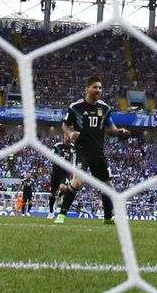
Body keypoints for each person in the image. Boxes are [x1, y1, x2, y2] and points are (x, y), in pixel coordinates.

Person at [55, 76, 131, 224]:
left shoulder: (105, 108)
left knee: (108, 187)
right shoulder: (75, 107)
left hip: (98, 152)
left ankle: (108, 219)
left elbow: (111, 128)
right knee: (77, 183)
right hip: (81, 151)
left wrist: (119, 131)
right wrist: (70, 133)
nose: (98, 90)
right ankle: (62, 214)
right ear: (87, 89)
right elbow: (64, 125)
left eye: (100, 88)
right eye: (95, 87)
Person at [47, 129, 77, 219]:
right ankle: (51, 211)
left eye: (69, 136)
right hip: (56, 171)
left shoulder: (73, 148)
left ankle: (60, 196)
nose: (67, 137)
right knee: (52, 194)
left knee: (63, 188)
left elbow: (74, 160)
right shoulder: (57, 146)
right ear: (63, 135)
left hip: (65, 172)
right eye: (66, 135)